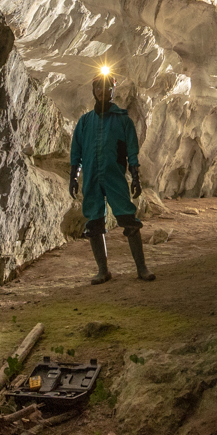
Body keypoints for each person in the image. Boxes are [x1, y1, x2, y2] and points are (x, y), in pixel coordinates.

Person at [69, 66, 153, 284]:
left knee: (128, 219)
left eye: (107, 87)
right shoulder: (85, 122)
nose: (103, 91)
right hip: (92, 179)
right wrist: (74, 175)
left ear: (113, 90)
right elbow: (76, 150)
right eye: (99, 87)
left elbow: (132, 150)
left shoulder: (123, 120)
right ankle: (103, 270)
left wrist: (135, 175)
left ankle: (142, 268)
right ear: (94, 90)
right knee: (94, 222)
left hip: (114, 176)